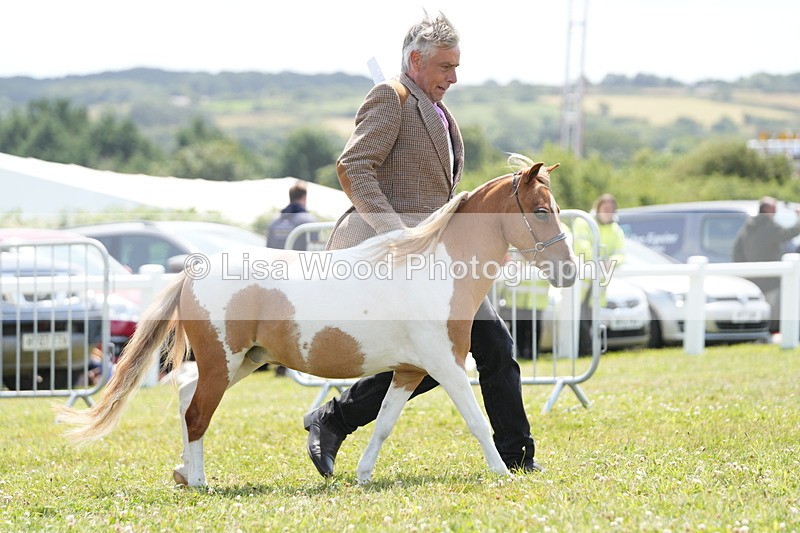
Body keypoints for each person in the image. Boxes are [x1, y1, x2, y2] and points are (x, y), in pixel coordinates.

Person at [302, 11, 542, 478]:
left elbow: (438, 193)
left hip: (440, 260)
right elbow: (354, 167)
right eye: (445, 67)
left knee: (487, 346)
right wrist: (395, 234)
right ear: (415, 60)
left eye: (456, 67)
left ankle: (516, 455)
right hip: (390, 252)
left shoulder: (434, 107)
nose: (454, 77)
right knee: (452, 352)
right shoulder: (390, 98)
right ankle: (334, 420)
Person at [732, 196, 800, 331]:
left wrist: (744, 270)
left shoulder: (749, 226)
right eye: (774, 209)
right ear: (767, 209)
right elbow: (788, 234)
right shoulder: (767, 226)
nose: (775, 212)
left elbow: (736, 251)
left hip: (752, 277)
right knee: (771, 313)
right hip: (770, 280)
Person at [571, 194, 626, 355]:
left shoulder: (615, 230)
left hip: (599, 282)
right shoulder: (584, 222)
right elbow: (582, 246)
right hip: (581, 279)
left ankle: (589, 348)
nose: (608, 212)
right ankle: (585, 348)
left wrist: (610, 262)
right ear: (598, 207)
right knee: (577, 314)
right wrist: (599, 260)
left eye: (611, 209)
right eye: (605, 208)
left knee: (590, 315)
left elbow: (621, 253)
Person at [266, 180, 317, 251]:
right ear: (304, 198)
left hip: (277, 261)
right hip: (299, 261)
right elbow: (315, 251)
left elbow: (268, 248)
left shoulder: (274, 222)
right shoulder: (309, 222)